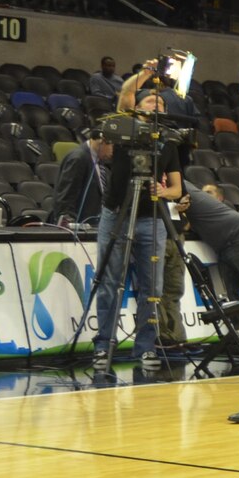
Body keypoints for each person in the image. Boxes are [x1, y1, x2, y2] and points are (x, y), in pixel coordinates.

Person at [90, 89, 183, 376]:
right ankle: (103, 345)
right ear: (136, 106)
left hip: (152, 218)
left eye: (161, 101)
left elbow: (178, 189)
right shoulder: (121, 132)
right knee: (109, 282)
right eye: (150, 99)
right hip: (116, 213)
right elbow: (99, 145)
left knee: (152, 288)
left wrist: (163, 191)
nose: (157, 103)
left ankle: (146, 347)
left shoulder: (167, 141)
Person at [51, 127, 111, 225]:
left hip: (95, 225)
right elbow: (66, 197)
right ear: (101, 141)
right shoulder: (78, 158)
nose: (112, 151)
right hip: (79, 228)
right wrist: (68, 223)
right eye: (112, 146)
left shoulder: (101, 162)